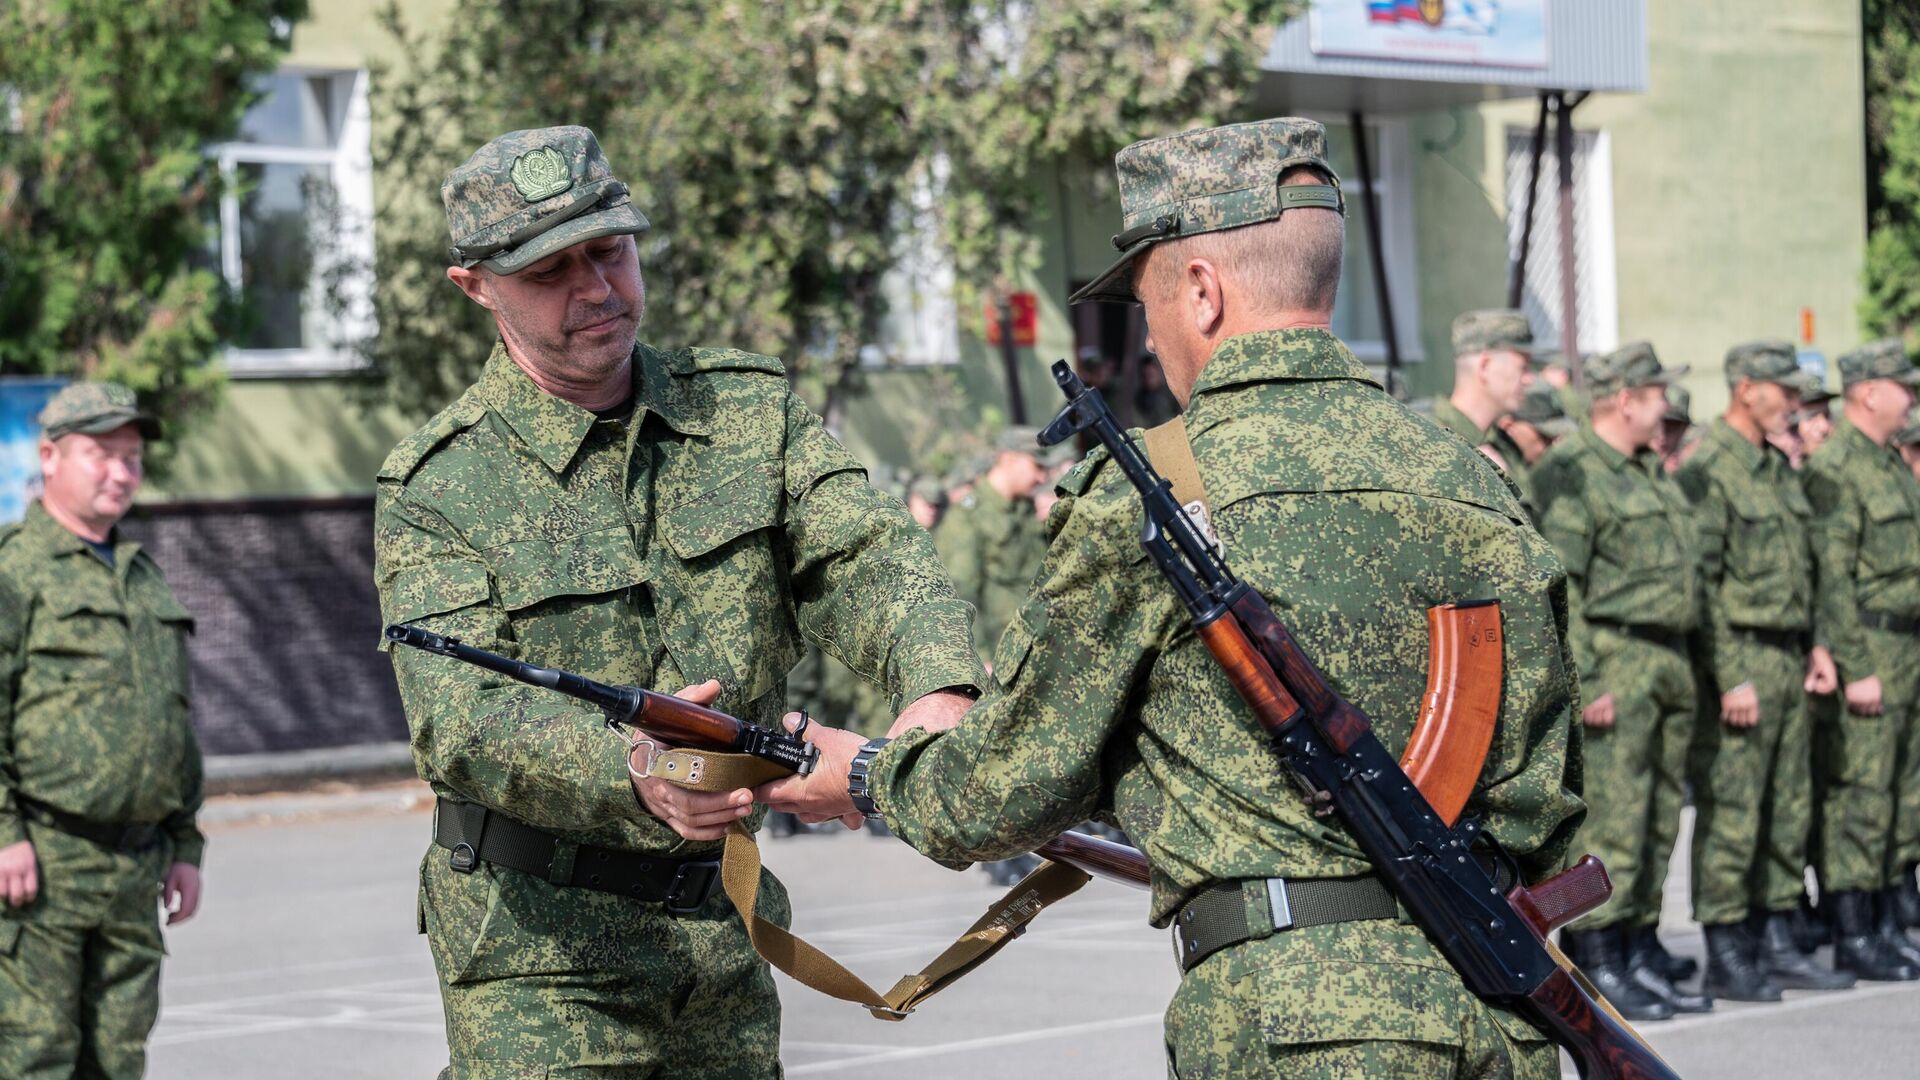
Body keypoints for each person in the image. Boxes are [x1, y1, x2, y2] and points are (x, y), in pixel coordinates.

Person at [762, 117, 1584, 1078]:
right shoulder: (1473, 477)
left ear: (1201, 291)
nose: (1147, 340)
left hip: (1298, 1027)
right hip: (1497, 1009)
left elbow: (999, 791)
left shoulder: (1153, 493)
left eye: (1146, 304)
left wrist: (864, 774)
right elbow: (1555, 788)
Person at [372, 126, 984, 1076]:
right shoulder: (439, 487)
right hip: (540, 960)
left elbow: (869, 557)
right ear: (476, 286)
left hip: (722, 928)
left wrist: (941, 690)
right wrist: (633, 768)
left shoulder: (744, 412)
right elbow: (461, 717)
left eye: (609, 250)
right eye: (551, 269)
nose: (597, 290)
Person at [0, 382, 206, 1080]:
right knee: (35, 1059)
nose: (121, 472)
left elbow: (171, 719)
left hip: (134, 869)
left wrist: (185, 841)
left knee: (119, 1061)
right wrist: (4, 836)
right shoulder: (13, 570)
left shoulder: (142, 577)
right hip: (43, 864)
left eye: (133, 457)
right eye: (101, 454)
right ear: (50, 455)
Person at [1533, 342, 1708, 1021]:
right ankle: (1601, 955)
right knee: (1616, 817)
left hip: (1665, 657)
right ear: (1625, 399)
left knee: (1660, 815)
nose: (1666, 404)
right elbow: (1562, 583)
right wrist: (1591, 677)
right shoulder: (1573, 471)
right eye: (1656, 392)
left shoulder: (1645, 470)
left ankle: (1639, 941)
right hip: (1616, 655)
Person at [1675, 341, 1852, 1000]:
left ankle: (1777, 934)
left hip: (1787, 653)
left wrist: (1818, 646)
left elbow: (1804, 570)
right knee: (1735, 807)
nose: (1793, 401)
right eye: (1781, 389)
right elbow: (1706, 586)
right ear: (1747, 388)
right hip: (1741, 654)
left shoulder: (1776, 469)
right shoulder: (1711, 469)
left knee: (1787, 802)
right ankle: (1728, 949)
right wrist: (1729, 676)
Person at [1802, 339, 1920, 981]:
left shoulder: (1889, 460)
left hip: (1907, 645)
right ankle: (1854, 931)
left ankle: (1887, 917)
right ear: (1869, 391)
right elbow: (1833, 578)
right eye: (1902, 385)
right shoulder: (1838, 465)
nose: (1911, 397)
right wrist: (1855, 663)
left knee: (1901, 792)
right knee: (1861, 795)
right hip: (1871, 645)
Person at [1434, 308, 1539, 450]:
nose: (1529, 379)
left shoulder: (1502, 444)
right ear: (1485, 367)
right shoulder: (1431, 439)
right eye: (1523, 367)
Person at [1485, 382, 1574, 521]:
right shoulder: (1491, 468)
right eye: (1543, 436)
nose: (1553, 444)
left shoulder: (1534, 466)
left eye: (1555, 437)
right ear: (1508, 425)